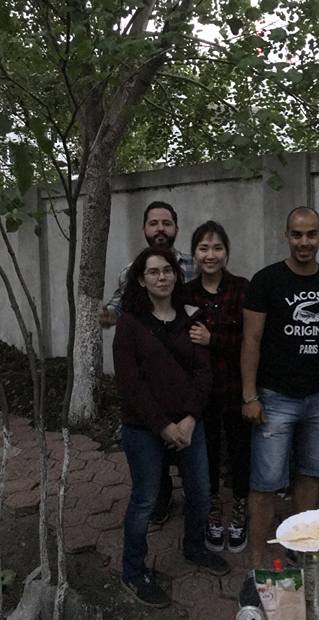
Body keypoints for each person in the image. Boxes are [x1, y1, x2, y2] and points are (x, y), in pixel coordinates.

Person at [113, 247, 229, 608]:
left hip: (190, 424)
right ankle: (133, 571)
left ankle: (194, 547)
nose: (162, 277)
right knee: (145, 499)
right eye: (153, 272)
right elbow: (130, 383)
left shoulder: (191, 317)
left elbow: (203, 372)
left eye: (167, 270)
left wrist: (190, 418)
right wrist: (163, 425)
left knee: (201, 493)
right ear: (140, 279)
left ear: (176, 276)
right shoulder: (130, 324)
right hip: (143, 427)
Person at [240, 207, 319, 568]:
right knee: (265, 482)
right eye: (297, 234)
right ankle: (257, 557)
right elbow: (251, 340)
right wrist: (249, 395)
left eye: (311, 234)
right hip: (274, 397)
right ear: (286, 236)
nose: (304, 242)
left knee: (311, 477)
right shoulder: (266, 281)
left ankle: (302, 548)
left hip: (318, 397)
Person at [102, 200, 197, 525]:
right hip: (151, 372)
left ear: (176, 228)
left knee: (191, 449)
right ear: (144, 229)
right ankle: (161, 495)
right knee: (153, 442)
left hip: (187, 368)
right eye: (154, 223)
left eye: (166, 223)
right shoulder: (132, 271)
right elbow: (119, 305)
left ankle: (199, 502)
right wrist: (108, 315)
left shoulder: (194, 264)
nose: (160, 229)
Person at [185, 221, 250, 554]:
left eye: (217, 248)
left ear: (227, 252)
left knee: (240, 450)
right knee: (205, 451)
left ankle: (240, 508)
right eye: (203, 248)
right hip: (200, 391)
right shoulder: (185, 292)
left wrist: (214, 339)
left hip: (236, 386)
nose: (210, 255)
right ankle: (211, 509)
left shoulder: (242, 288)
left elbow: (251, 340)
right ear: (194, 253)